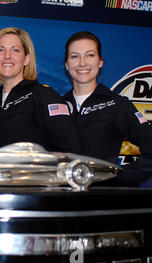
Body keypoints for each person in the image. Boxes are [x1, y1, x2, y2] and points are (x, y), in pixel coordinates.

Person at [63, 31, 152, 186]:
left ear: (100, 62)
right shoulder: (57, 106)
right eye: (75, 56)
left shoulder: (117, 105)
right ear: (67, 65)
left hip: (99, 202)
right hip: (60, 201)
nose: (82, 63)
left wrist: (115, 177)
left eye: (90, 55)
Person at [0, 27, 82, 154]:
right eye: (0, 50)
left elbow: (70, 150)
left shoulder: (44, 97)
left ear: (26, 59)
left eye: (15, 50)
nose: (7, 56)